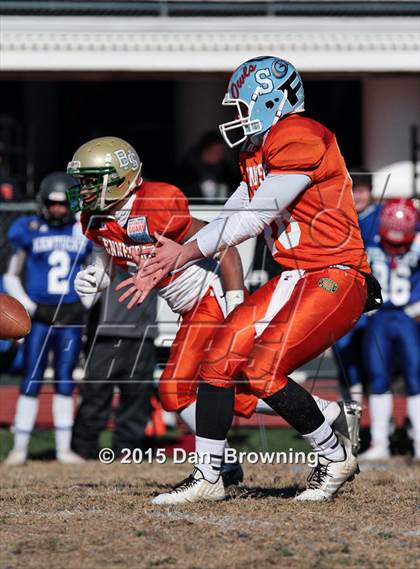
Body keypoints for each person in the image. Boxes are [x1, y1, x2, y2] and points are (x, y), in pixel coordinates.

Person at [127, 56, 377, 504]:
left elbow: (257, 216)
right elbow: (236, 209)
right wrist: (180, 253)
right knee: (219, 357)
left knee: (263, 368)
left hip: (334, 274)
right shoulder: (257, 149)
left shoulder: (302, 136)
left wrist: (185, 249)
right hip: (295, 274)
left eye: (243, 105)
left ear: (272, 100)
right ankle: (208, 477)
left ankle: (333, 454)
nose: (236, 116)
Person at [66, 136, 342, 484]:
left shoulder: (155, 205)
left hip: (207, 300)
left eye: (92, 180)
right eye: (83, 181)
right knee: (234, 394)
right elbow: (110, 251)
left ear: (119, 176)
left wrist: (235, 302)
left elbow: (222, 246)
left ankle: (219, 467)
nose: (84, 189)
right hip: (188, 309)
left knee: (174, 391)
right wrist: (97, 275)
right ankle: (320, 413)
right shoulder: (95, 218)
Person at [3, 172, 91, 465]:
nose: (56, 210)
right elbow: (11, 275)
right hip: (39, 316)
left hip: (70, 314)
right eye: (51, 204)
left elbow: (98, 272)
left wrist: (84, 304)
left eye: (61, 204)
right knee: (32, 377)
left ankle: (64, 449)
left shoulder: (84, 231)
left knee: (66, 378)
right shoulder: (28, 228)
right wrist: (29, 307)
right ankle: (20, 448)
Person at [71, 268, 157, 458]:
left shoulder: (159, 240)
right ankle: (83, 450)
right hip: (104, 333)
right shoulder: (104, 241)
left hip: (143, 333)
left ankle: (129, 450)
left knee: (137, 397)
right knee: (96, 395)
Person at [360, 198, 419, 460]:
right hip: (379, 316)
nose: (395, 246)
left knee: (415, 377)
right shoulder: (368, 230)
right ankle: (380, 443)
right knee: (377, 375)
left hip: (408, 316)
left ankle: (418, 442)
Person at [333, 171, 382, 405]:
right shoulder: (338, 219)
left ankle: (388, 427)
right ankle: (352, 426)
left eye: (361, 190)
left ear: (370, 192)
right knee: (345, 363)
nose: (357, 196)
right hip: (345, 300)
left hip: (379, 305)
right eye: (353, 190)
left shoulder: (384, 219)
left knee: (379, 366)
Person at [174, 132, 237, 203]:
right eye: (216, 151)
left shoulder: (226, 170)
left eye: (221, 151)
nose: (220, 155)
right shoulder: (187, 170)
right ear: (206, 150)